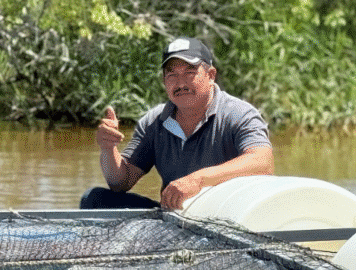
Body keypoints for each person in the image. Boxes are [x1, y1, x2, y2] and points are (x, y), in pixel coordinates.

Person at [80, 37, 274, 210]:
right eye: (172, 74)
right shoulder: (153, 121)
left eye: (190, 72)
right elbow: (120, 182)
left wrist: (198, 180)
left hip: (227, 219)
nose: (180, 83)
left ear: (211, 75)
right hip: (174, 219)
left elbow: (263, 162)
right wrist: (107, 149)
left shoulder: (239, 113)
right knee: (93, 199)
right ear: (164, 80)